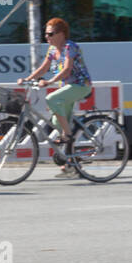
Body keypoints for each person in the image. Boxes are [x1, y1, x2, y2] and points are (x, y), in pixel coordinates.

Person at [22, 17, 92, 174]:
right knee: (57, 121)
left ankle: (68, 136)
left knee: (51, 99)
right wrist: (28, 79)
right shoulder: (52, 50)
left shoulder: (70, 47)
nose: (47, 37)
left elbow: (67, 70)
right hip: (66, 86)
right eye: (46, 34)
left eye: (50, 34)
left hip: (81, 86)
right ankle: (72, 160)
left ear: (61, 34)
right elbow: (43, 67)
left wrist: (49, 82)